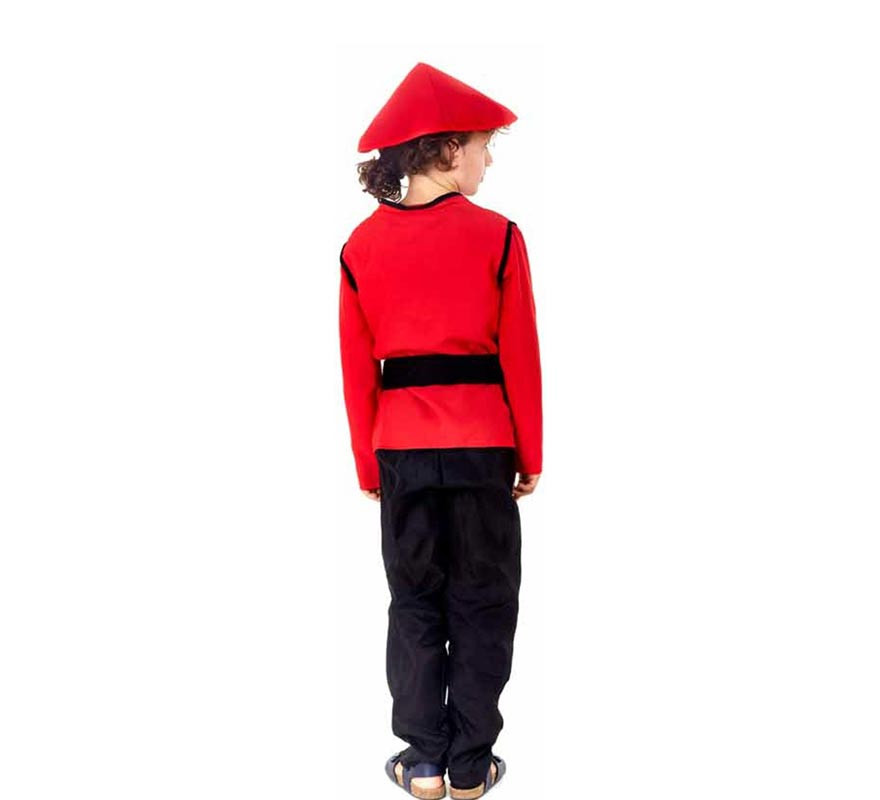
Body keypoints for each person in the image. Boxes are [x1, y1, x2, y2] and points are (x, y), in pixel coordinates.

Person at [338, 61, 542, 799]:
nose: (488, 160)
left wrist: (368, 465)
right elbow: (521, 356)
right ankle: (471, 763)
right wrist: (530, 453)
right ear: (449, 148)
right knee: (484, 596)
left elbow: (356, 368)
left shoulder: (360, 247)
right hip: (484, 443)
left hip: (401, 449)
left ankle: (423, 760)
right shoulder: (499, 237)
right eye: (483, 145)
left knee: (415, 597)